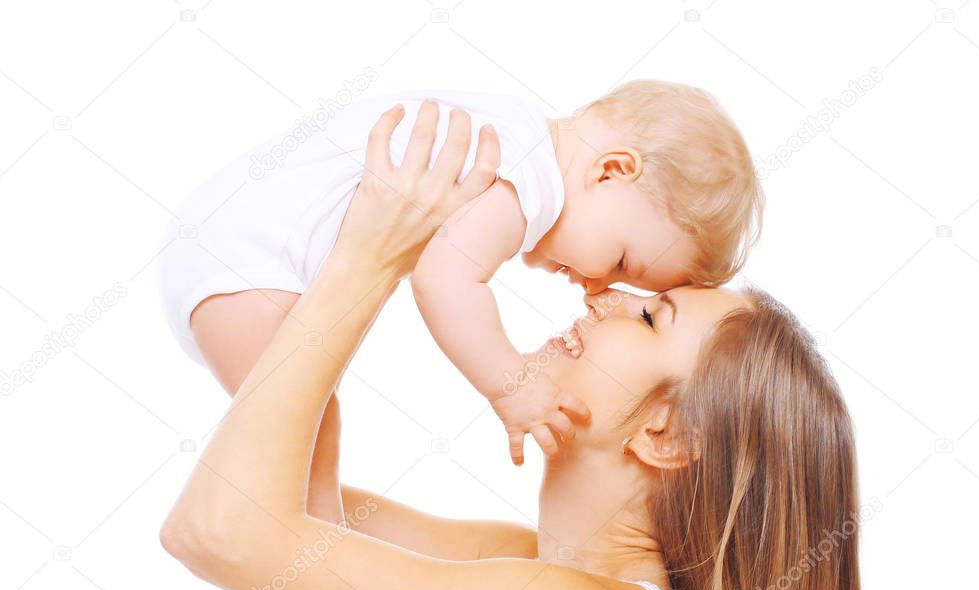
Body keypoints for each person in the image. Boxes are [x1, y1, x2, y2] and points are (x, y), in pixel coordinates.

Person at [161, 105, 880, 590]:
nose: (601, 294)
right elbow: (268, 507)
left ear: (667, 434)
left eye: (651, 315)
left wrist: (370, 260)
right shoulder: (539, 575)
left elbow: (220, 530)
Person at [156, 81, 763, 533]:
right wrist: (510, 383)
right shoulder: (527, 173)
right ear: (612, 172)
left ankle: (303, 558)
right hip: (246, 262)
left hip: (225, 254)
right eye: (625, 261)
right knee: (308, 427)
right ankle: (302, 564)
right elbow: (445, 281)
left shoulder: (513, 129)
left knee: (308, 429)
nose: (597, 286)